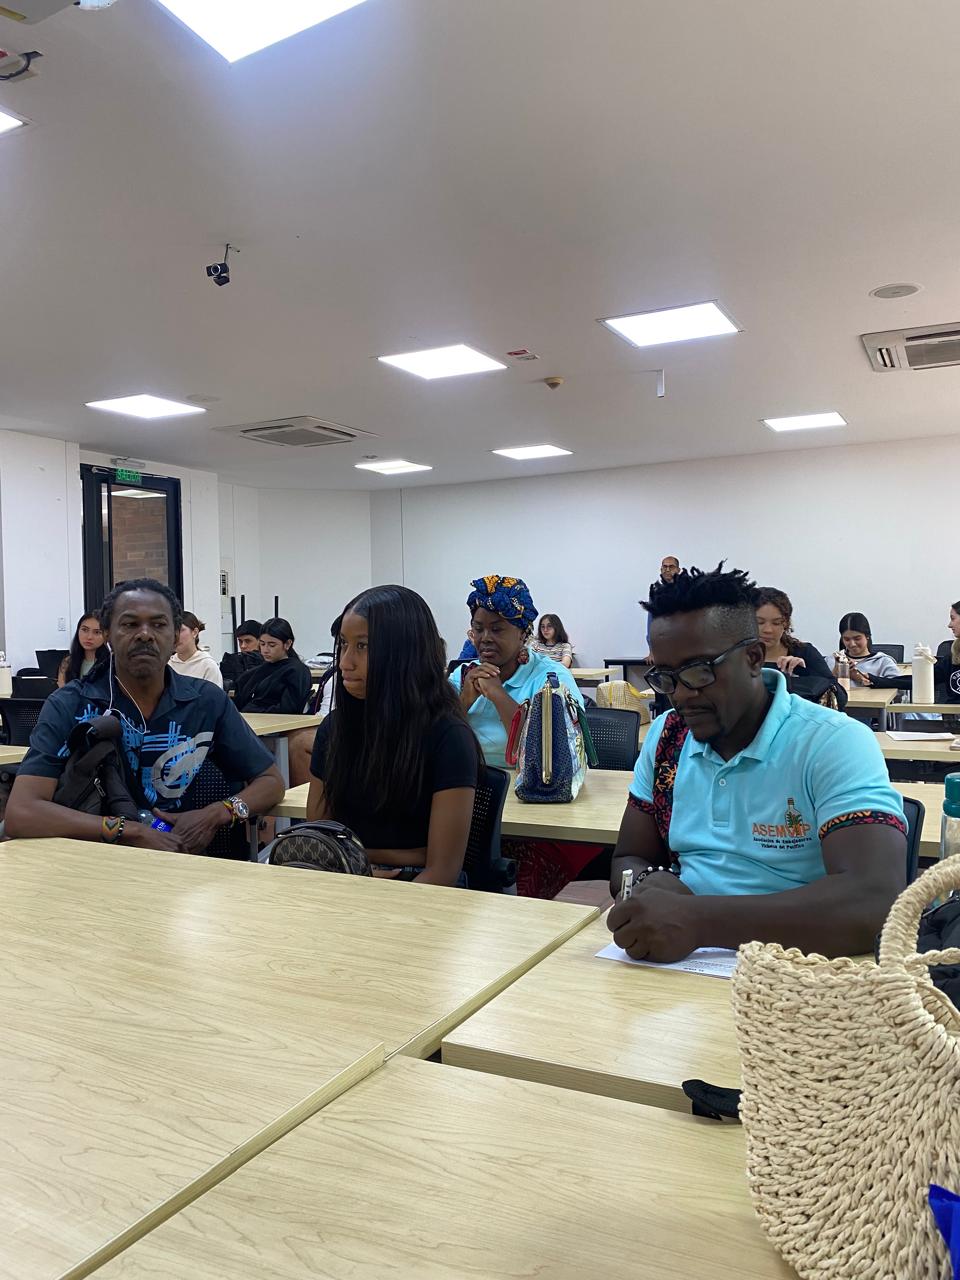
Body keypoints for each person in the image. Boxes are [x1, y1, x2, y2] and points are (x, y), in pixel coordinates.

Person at [608, 564, 907, 962]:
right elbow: (628, 859)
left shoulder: (831, 741)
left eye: (698, 672)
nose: (680, 695)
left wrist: (699, 920)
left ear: (752, 658)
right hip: (677, 961)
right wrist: (651, 886)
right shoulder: (668, 737)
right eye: (665, 677)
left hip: (802, 970)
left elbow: (874, 899)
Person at [6, 578, 284, 852]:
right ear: (108, 635)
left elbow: (271, 782)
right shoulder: (71, 704)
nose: (145, 634)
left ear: (175, 637)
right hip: (90, 860)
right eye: (129, 624)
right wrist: (129, 831)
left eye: (159, 625)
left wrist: (218, 813)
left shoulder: (205, 702)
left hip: (180, 858)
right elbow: (22, 811)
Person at [307, 585, 481, 885]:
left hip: (418, 889)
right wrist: (361, 866)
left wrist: (358, 860)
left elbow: (442, 871)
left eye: (363, 646)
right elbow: (319, 842)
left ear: (404, 653)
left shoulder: (448, 737)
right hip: (345, 877)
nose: (345, 662)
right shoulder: (335, 729)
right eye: (344, 644)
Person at [450, 574, 596, 897]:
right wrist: (464, 701)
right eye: (478, 629)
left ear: (523, 633)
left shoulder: (551, 678)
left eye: (497, 629)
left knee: (513, 890)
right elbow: (435, 744)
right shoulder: (462, 676)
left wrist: (498, 694)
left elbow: (549, 753)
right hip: (468, 800)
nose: (485, 639)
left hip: (537, 806)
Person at [233, 617, 312, 715]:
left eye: (272, 645)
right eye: (262, 644)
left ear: (287, 644)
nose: (265, 650)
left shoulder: (297, 671)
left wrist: (252, 711)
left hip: (275, 722)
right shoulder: (261, 669)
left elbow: (289, 709)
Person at [754, 586, 832, 679]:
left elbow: (834, 686)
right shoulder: (738, 657)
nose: (768, 630)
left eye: (776, 623)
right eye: (759, 622)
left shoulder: (805, 653)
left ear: (786, 624)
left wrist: (804, 672)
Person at [833, 613, 900, 685]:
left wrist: (860, 678)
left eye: (857, 638)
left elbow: (898, 688)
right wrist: (834, 674)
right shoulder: (831, 661)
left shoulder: (883, 662)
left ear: (867, 636)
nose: (852, 644)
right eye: (847, 639)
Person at [168, 611, 223, 687]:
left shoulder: (208, 666)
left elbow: (214, 694)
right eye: (172, 631)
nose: (175, 636)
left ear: (195, 632)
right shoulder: (168, 665)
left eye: (180, 630)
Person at [57, 612, 108, 687]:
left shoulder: (111, 664)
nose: (89, 637)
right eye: (85, 630)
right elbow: (62, 691)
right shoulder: (68, 662)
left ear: (106, 635)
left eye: (97, 632)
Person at [220, 619, 263, 690]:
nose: (243, 646)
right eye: (240, 641)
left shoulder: (270, 661)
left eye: (248, 641)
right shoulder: (231, 662)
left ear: (260, 641)